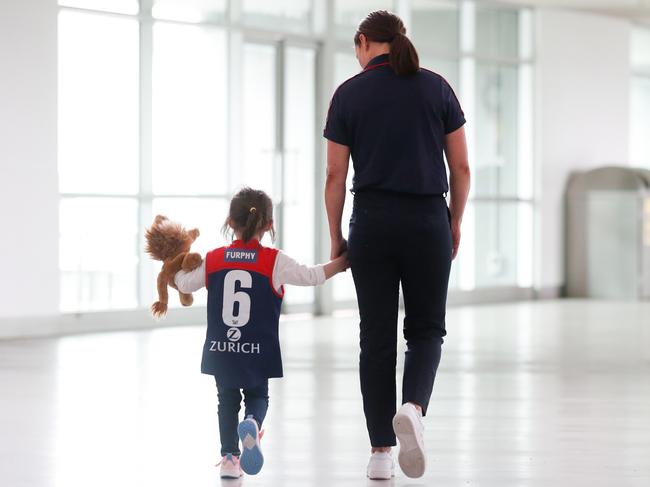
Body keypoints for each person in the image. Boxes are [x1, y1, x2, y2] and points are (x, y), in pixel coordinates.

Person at [323, 10, 471, 480]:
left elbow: (334, 175)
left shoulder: (348, 94)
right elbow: (462, 168)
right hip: (428, 218)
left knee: (376, 336)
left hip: (372, 219)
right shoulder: (437, 88)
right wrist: (454, 222)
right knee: (426, 329)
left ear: (364, 43)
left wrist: (336, 236)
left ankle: (381, 453)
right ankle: (412, 406)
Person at [174, 187, 348, 479]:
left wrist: (174, 267)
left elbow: (184, 285)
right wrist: (343, 262)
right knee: (258, 396)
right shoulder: (273, 260)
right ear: (269, 225)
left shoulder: (215, 258)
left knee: (226, 400)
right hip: (257, 349)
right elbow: (312, 276)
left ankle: (230, 459)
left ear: (230, 222)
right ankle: (253, 421)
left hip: (222, 349)